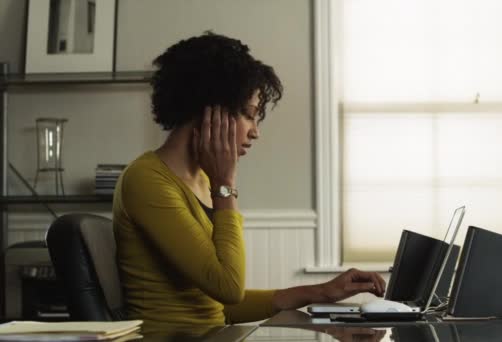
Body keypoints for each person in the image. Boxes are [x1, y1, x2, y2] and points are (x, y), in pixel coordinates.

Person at [112, 31, 386, 328]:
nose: (255, 131)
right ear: (211, 110)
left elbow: (221, 306)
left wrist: (321, 291)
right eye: (249, 114)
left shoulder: (203, 181)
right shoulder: (147, 180)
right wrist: (225, 183)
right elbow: (227, 287)